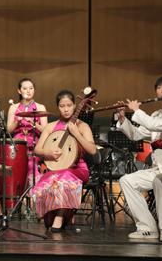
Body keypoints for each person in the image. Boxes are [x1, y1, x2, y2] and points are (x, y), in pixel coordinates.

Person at [117, 75, 162, 242]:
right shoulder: (156, 115)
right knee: (126, 180)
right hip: (159, 170)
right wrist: (122, 118)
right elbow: (136, 135)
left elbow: (154, 125)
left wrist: (137, 110)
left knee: (160, 181)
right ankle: (147, 228)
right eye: (159, 88)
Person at [32, 90, 97, 231]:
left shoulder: (82, 126)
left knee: (63, 177)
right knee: (48, 179)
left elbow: (92, 150)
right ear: (58, 107)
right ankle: (55, 214)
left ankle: (60, 216)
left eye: (69, 105)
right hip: (56, 169)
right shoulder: (51, 126)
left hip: (78, 169)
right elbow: (37, 150)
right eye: (62, 106)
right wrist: (48, 153)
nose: (66, 109)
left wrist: (77, 134)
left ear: (74, 106)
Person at [7, 78, 48, 186]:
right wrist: (16, 122)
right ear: (19, 91)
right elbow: (8, 130)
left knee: (31, 166)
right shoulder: (13, 107)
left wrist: (33, 123)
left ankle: (33, 190)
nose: (28, 91)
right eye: (25, 88)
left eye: (31, 88)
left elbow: (46, 131)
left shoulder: (40, 107)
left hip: (35, 145)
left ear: (34, 90)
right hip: (18, 145)